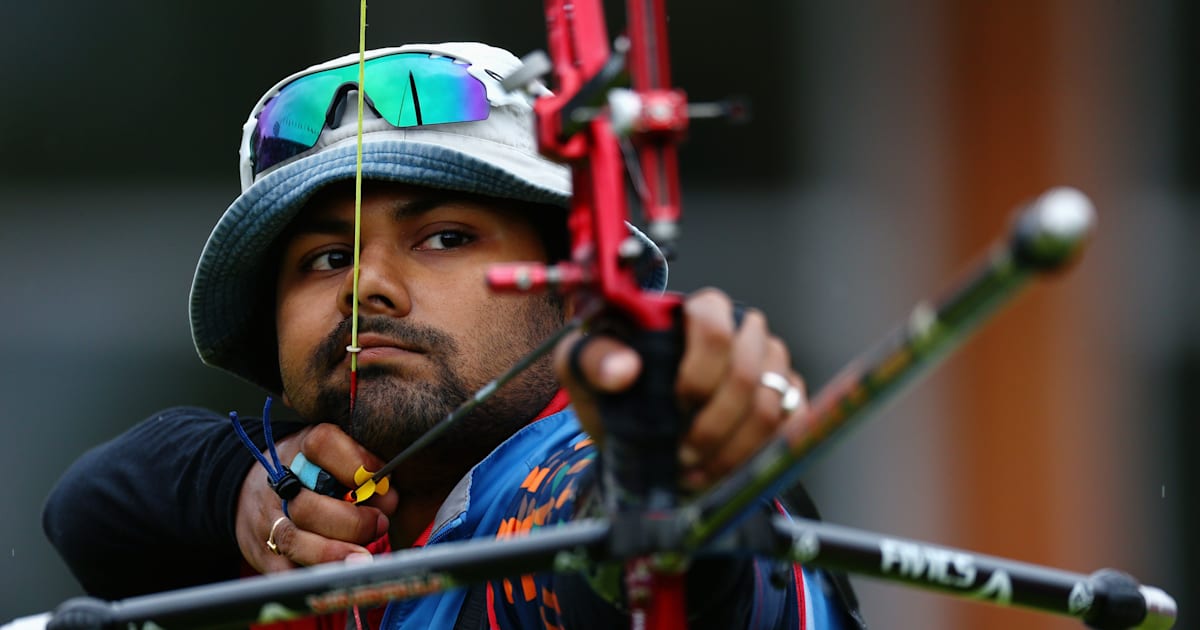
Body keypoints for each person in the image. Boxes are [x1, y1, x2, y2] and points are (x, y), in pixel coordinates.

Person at [42, 42, 865, 629]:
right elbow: (89, 508)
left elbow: (615, 569)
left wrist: (670, 478)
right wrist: (235, 489)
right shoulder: (304, 520)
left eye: (444, 238)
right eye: (327, 257)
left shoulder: (560, 484)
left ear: (575, 287)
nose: (367, 285)